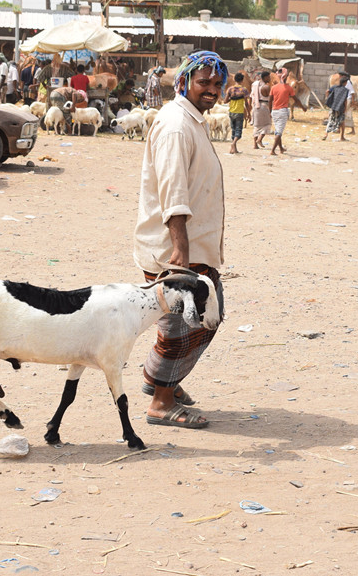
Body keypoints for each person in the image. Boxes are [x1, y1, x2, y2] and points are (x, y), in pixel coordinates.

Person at [134, 50, 227, 429]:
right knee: (185, 326)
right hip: (176, 250)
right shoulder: (176, 125)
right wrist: (180, 254)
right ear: (184, 82)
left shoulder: (192, 120)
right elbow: (173, 192)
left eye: (217, 83)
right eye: (204, 82)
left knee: (197, 320)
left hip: (191, 245)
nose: (212, 90)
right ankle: (161, 401)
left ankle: (158, 379)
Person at [269, 68, 294, 155]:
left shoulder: (273, 87)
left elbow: (270, 100)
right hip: (282, 111)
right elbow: (295, 99)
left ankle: (281, 148)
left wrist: (270, 111)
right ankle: (272, 150)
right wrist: (303, 107)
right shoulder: (288, 88)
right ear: (286, 76)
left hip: (274, 111)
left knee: (277, 130)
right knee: (279, 132)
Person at [322, 73, 350, 141]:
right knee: (342, 122)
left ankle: (325, 134)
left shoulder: (334, 87)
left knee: (330, 120)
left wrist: (328, 99)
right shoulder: (345, 90)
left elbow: (327, 91)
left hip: (333, 107)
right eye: (346, 82)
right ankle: (342, 137)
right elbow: (345, 100)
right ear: (345, 83)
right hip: (341, 108)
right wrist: (345, 108)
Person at [226, 73, 249, 154]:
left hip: (231, 111)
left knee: (233, 130)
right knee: (238, 131)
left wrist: (232, 98)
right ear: (242, 80)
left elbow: (225, 101)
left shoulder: (230, 89)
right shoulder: (244, 90)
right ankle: (233, 144)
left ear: (234, 79)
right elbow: (246, 103)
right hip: (239, 112)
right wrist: (248, 113)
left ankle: (233, 149)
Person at [250, 71, 271, 149]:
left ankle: (255, 145)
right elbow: (270, 98)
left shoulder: (255, 85)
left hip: (256, 106)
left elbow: (251, 96)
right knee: (267, 124)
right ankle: (259, 139)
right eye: (268, 77)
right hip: (264, 106)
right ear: (265, 77)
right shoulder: (266, 87)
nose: (269, 78)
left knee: (256, 126)